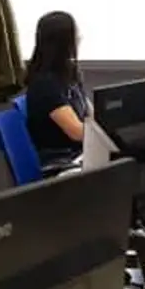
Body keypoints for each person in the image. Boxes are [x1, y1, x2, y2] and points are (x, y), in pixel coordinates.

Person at [21, 10, 91, 174]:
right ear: (65, 41)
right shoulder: (45, 84)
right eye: (76, 33)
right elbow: (77, 132)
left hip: (78, 155)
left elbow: (91, 115)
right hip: (60, 162)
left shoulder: (70, 73)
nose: (80, 37)